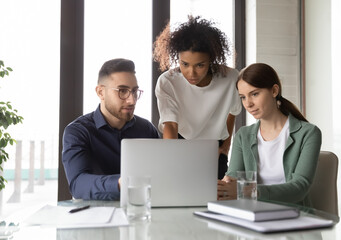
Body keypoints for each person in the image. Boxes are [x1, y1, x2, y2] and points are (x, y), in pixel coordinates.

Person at [217, 63, 322, 207]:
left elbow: (300, 187)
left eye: (254, 94)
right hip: (253, 215)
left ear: (274, 91)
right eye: (243, 97)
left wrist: (248, 192)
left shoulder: (308, 133)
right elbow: (233, 176)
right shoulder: (243, 135)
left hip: (295, 217)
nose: (248, 104)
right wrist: (224, 185)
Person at [153, 16, 242, 179]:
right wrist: (170, 159)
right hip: (178, 143)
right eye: (184, 64)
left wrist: (226, 147)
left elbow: (233, 112)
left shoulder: (230, 78)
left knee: (215, 198)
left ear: (211, 60)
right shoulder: (167, 82)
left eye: (200, 65)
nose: (191, 73)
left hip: (214, 148)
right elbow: (170, 125)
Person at [62, 58, 159, 200]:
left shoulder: (147, 129)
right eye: (122, 91)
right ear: (100, 92)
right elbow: (78, 185)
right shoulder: (78, 132)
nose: (131, 100)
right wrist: (121, 183)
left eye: (134, 91)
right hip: (94, 216)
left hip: (139, 210)